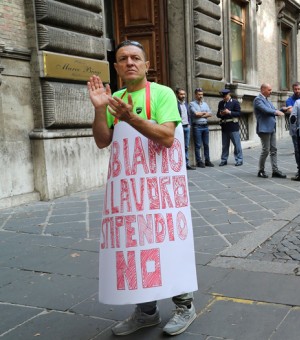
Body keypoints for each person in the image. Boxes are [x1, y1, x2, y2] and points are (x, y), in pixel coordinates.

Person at [87, 40, 196, 336]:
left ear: (147, 65)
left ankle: (184, 305)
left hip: (162, 192)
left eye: (136, 58)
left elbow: (166, 137)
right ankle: (146, 311)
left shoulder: (162, 94)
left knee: (169, 244)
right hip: (130, 193)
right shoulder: (114, 98)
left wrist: (130, 116)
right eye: (123, 59)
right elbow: (102, 141)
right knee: (137, 248)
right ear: (116, 67)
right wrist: (100, 110)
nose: (130, 62)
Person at [254, 83, 287, 179]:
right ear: (263, 90)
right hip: (264, 129)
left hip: (271, 128)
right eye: (269, 90)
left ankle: (275, 170)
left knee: (274, 150)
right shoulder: (258, 100)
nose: (271, 91)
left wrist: (282, 109)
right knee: (266, 150)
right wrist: (276, 112)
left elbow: (272, 109)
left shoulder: (266, 100)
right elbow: (265, 110)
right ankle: (261, 170)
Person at [217, 89, 243, 166]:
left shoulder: (235, 102)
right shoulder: (221, 103)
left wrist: (229, 112)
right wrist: (221, 114)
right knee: (225, 145)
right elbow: (218, 115)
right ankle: (224, 160)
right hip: (224, 126)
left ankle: (239, 159)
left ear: (229, 95)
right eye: (223, 97)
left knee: (236, 144)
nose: (224, 98)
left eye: (225, 96)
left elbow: (239, 113)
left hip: (233, 126)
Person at [189, 88, 214, 168]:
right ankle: (199, 161)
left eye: (202, 94)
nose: (201, 96)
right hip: (197, 126)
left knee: (206, 144)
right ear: (195, 95)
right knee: (198, 145)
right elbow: (196, 114)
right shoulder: (192, 104)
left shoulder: (205, 104)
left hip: (205, 126)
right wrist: (204, 113)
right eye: (199, 94)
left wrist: (201, 114)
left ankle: (207, 160)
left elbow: (210, 114)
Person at [176, 88, 195, 170]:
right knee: (178, 146)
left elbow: (189, 115)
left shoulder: (186, 104)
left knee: (186, 146)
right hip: (179, 127)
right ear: (177, 94)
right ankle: (179, 163)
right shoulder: (175, 104)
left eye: (184, 94)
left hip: (187, 127)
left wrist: (189, 124)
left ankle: (186, 164)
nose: (183, 96)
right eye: (181, 94)